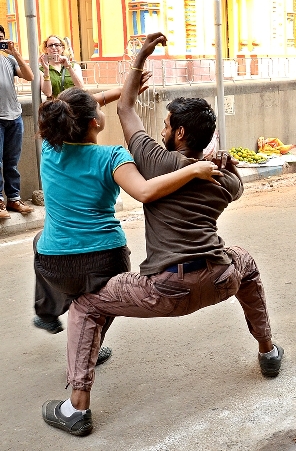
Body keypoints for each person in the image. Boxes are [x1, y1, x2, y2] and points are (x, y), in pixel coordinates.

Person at [42, 32, 283, 436]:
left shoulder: (154, 160)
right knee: (249, 264)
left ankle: (76, 408)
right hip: (221, 276)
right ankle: (268, 351)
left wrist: (139, 56)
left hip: (165, 289)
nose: (162, 127)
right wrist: (222, 163)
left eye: (168, 124)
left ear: (180, 134)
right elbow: (238, 189)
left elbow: (125, 108)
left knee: (85, 306)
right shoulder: (221, 179)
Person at [33, 82, 220, 364]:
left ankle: (47, 310)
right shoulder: (112, 157)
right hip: (103, 263)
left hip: (54, 265)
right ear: (95, 122)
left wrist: (124, 91)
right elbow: (145, 191)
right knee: (106, 300)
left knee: (40, 239)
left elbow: (73, 106)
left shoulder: (49, 147)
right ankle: (91, 348)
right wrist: (193, 169)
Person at [0, 25, 34, 219]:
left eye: (1, 38)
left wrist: (16, 53)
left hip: (14, 117)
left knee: (12, 162)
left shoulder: (9, 59)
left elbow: (29, 76)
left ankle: (14, 199)